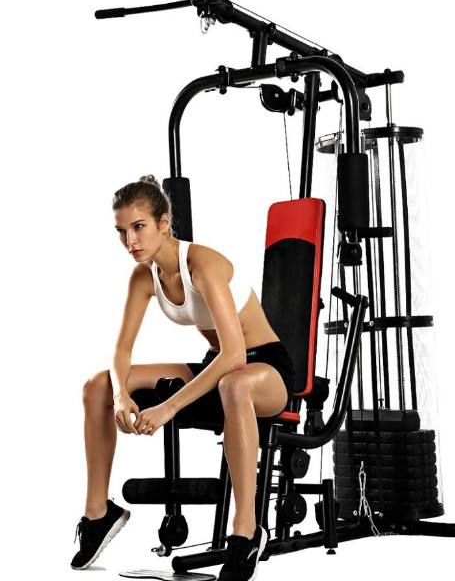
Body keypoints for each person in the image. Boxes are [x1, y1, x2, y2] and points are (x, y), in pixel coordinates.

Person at [71, 175, 295, 581]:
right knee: (98, 385)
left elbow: (235, 355)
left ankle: (246, 530)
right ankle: (98, 513)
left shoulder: (203, 265)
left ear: (164, 223)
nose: (130, 241)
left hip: (265, 368)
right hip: (216, 365)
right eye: (121, 231)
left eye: (139, 227)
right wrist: (121, 395)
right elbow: (121, 352)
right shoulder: (145, 277)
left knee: (234, 383)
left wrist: (167, 408)